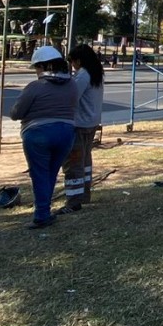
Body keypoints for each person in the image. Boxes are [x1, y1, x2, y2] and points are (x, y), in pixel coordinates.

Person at [10, 46, 77, 229]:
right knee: (51, 173)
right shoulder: (72, 85)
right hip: (66, 132)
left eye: (37, 67)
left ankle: (42, 215)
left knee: (39, 174)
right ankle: (44, 212)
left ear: (42, 66)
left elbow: (16, 113)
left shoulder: (35, 87)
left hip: (38, 133)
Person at [59, 45, 105, 214]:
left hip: (79, 124)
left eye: (72, 62)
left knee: (74, 163)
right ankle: (84, 194)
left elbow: (72, 97)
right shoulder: (96, 72)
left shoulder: (83, 75)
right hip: (92, 122)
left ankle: (74, 201)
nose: (72, 65)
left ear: (78, 60)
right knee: (85, 160)